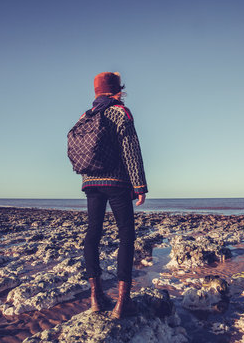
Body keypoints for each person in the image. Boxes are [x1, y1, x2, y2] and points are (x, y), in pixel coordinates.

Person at [81, 72, 148, 319]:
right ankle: (122, 302)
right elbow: (131, 149)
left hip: (90, 182)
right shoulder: (121, 112)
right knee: (126, 234)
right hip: (117, 181)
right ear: (116, 90)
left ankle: (96, 297)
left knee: (93, 233)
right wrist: (139, 185)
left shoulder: (86, 116)